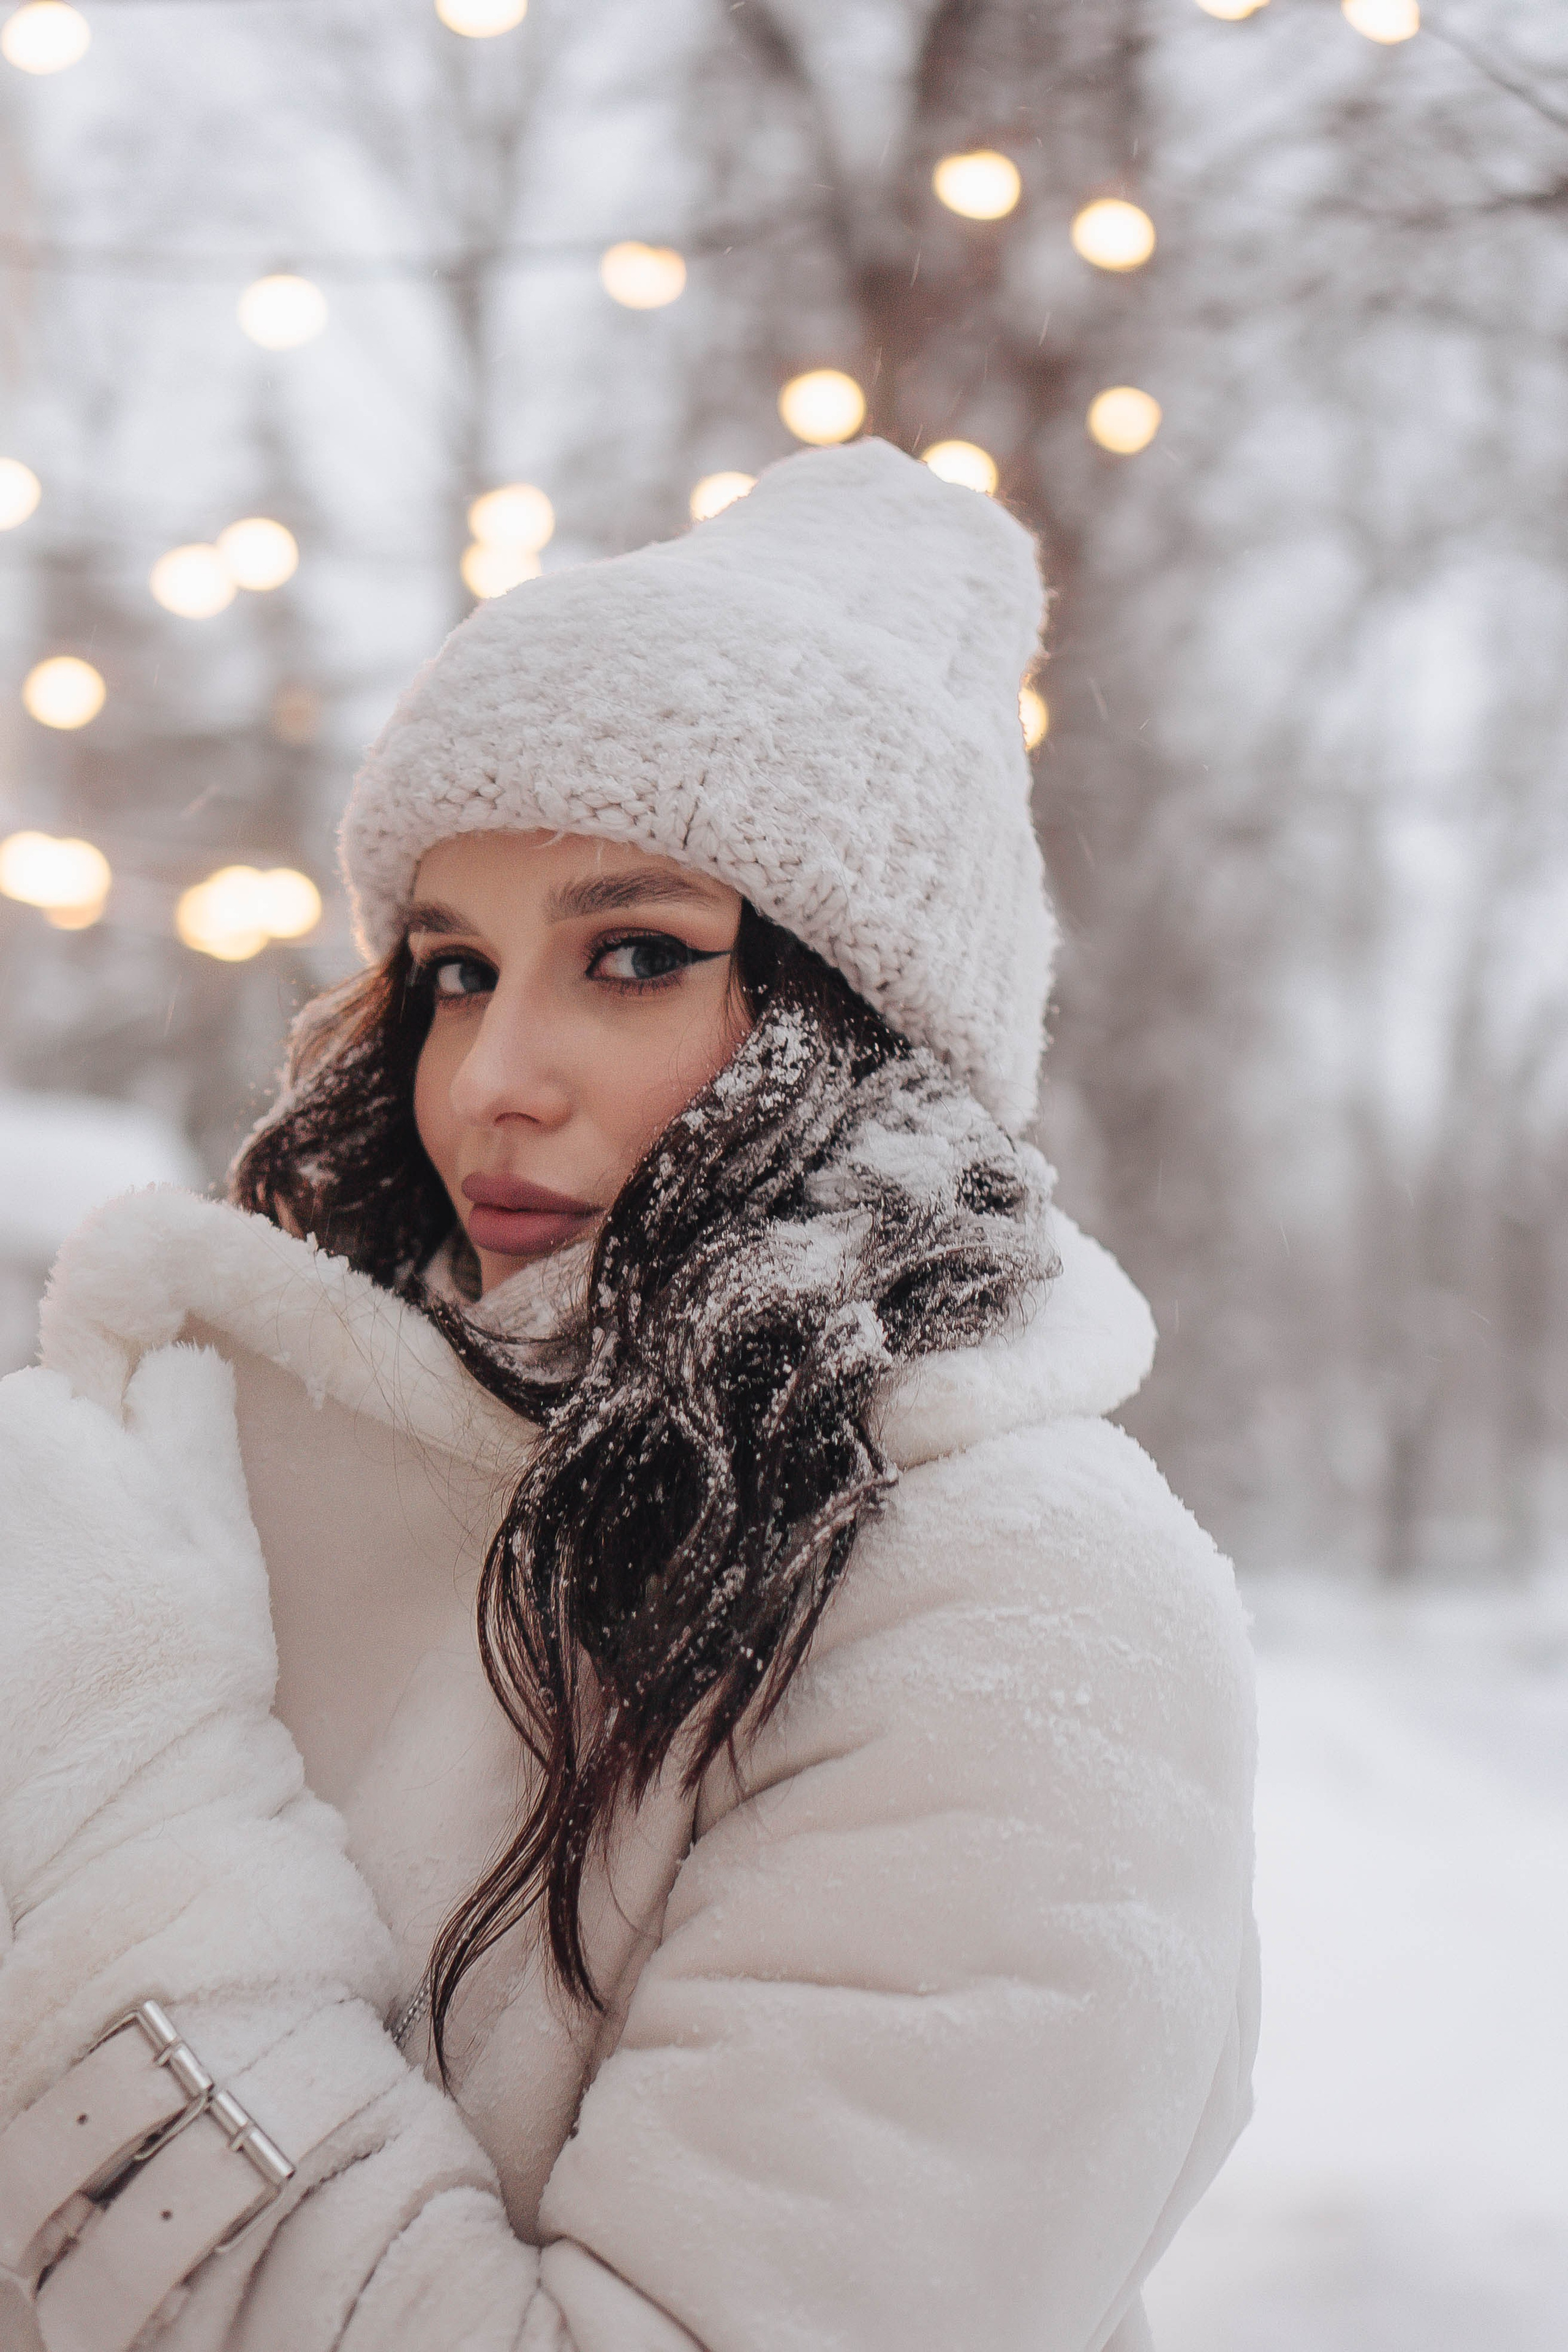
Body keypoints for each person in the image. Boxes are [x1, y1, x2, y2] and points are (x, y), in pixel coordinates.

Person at [0, 438, 1258, 2352]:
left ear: (864, 1028)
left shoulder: (1030, 1607)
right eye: (451, 970)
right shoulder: (240, 1459)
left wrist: (98, 1804)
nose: (493, 1072)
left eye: (636, 957)